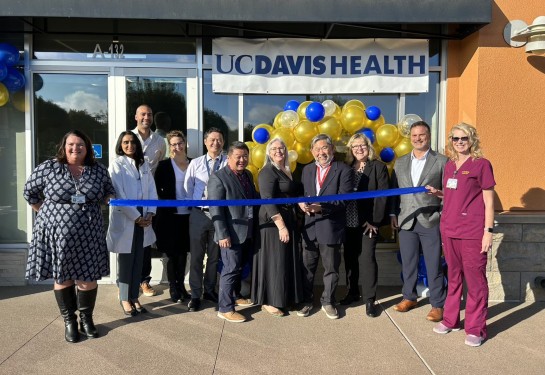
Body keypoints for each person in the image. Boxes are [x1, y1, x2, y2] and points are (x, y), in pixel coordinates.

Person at [23, 130, 115, 343]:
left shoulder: (98, 170)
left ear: (87, 147)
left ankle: (87, 319)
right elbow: (29, 192)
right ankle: (70, 322)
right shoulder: (49, 167)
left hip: (88, 233)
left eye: (80, 144)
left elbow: (109, 192)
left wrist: (110, 198)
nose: (76, 148)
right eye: (71, 145)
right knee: (63, 276)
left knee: (87, 277)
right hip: (56, 235)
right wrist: (46, 214)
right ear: (64, 147)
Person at [428, 123, 495, 347]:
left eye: (463, 138)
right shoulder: (450, 165)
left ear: (472, 139)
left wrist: (488, 232)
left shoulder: (481, 165)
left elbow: (488, 200)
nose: (459, 142)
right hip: (449, 230)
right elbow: (452, 195)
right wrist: (438, 193)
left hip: (472, 232)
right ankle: (451, 319)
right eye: (455, 139)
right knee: (454, 277)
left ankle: (476, 328)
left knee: (475, 281)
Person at [390, 120, 447, 322]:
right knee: (408, 263)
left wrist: (443, 216)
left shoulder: (441, 161)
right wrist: (392, 214)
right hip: (406, 220)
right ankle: (409, 297)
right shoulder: (401, 162)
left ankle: (438, 305)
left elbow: (448, 192)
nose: (418, 138)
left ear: (429, 136)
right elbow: (394, 192)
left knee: (434, 265)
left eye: (421, 135)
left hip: (430, 220)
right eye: (414, 135)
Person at [297, 134, 353, 320]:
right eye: (317, 149)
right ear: (312, 152)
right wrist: (302, 204)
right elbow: (303, 194)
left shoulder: (343, 170)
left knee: (331, 269)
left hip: (331, 227)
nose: (321, 152)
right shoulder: (306, 170)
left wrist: (320, 207)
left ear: (332, 149)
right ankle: (306, 301)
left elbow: (343, 199)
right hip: (310, 227)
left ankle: (328, 301)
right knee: (307, 267)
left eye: (324, 148)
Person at [107, 131, 158, 317]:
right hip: (128, 218)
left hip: (144, 217)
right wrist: (136, 217)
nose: (130, 145)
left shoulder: (143, 163)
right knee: (127, 262)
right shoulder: (116, 165)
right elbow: (118, 193)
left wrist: (151, 211)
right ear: (120, 145)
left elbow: (151, 188)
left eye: (132, 142)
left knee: (138, 261)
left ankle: (134, 296)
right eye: (126, 142)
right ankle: (124, 298)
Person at [252, 137, 304, 317]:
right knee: (273, 261)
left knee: (283, 261)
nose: (278, 151)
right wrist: (281, 226)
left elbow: (291, 194)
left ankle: (283, 298)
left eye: (281, 148)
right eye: (273, 148)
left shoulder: (287, 170)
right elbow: (267, 199)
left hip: (288, 219)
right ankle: (268, 301)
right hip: (272, 223)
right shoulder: (267, 171)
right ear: (268, 152)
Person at [208, 141, 258, 323]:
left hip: (247, 231)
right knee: (230, 269)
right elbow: (215, 210)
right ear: (228, 157)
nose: (242, 160)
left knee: (238, 268)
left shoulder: (248, 175)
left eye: (245, 156)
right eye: (238, 157)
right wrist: (222, 235)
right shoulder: (218, 178)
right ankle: (225, 308)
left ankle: (236, 296)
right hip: (230, 234)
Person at [341, 133, 389, 318]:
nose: (359, 149)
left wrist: (374, 221)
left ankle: (369, 300)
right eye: (355, 147)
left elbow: (382, 196)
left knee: (367, 260)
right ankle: (352, 292)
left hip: (368, 223)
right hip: (348, 222)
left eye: (362, 145)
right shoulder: (346, 168)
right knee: (350, 259)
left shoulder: (378, 167)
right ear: (350, 150)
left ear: (368, 147)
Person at [183, 127, 227, 311]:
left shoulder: (227, 163)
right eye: (212, 139)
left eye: (219, 140)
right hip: (199, 213)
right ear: (205, 142)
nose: (215, 143)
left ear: (223, 143)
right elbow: (188, 187)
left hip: (219, 214)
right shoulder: (196, 163)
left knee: (214, 256)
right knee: (196, 256)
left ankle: (209, 290)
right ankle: (195, 294)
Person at [131, 104, 166, 297]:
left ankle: (144, 281)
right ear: (136, 116)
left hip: (148, 195)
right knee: (128, 239)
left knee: (145, 240)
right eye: (143, 114)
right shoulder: (128, 137)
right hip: (129, 196)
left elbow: (157, 168)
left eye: (149, 114)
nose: (146, 117)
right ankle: (127, 280)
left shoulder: (160, 141)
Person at [154, 130, 191, 303]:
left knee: (183, 253)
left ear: (185, 144)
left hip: (188, 216)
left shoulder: (193, 163)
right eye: (174, 144)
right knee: (171, 254)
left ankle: (182, 286)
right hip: (169, 216)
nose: (177, 147)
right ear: (170, 147)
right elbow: (157, 192)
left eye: (180, 143)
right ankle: (173, 287)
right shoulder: (163, 166)